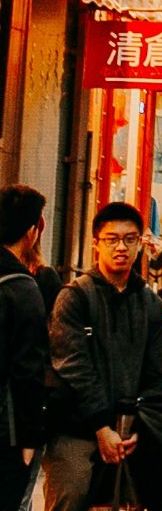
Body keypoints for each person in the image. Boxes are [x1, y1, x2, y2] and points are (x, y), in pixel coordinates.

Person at [44, 203, 162, 511]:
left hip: (131, 427)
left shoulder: (150, 303)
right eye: (111, 239)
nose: (120, 247)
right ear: (97, 243)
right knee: (73, 491)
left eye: (129, 239)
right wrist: (102, 428)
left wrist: (141, 426)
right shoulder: (74, 297)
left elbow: (157, 373)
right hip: (78, 426)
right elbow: (73, 366)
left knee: (146, 495)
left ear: (141, 244)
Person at [0, 186, 49, 510]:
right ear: (32, 232)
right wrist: (31, 438)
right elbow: (29, 369)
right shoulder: (22, 287)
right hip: (7, 432)